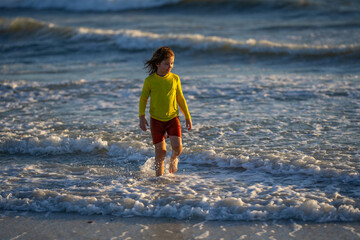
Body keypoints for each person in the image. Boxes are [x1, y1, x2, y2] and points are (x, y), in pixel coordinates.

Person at [139, 46, 192, 177]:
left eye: (172, 63)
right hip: (156, 120)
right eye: (167, 63)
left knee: (178, 147)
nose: (170, 66)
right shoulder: (150, 81)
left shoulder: (175, 78)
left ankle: (173, 159)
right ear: (157, 63)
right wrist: (141, 116)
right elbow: (143, 98)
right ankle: (159, 179)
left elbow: (180, 98)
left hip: (173, 118)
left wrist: (187, 116)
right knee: (160, 151)